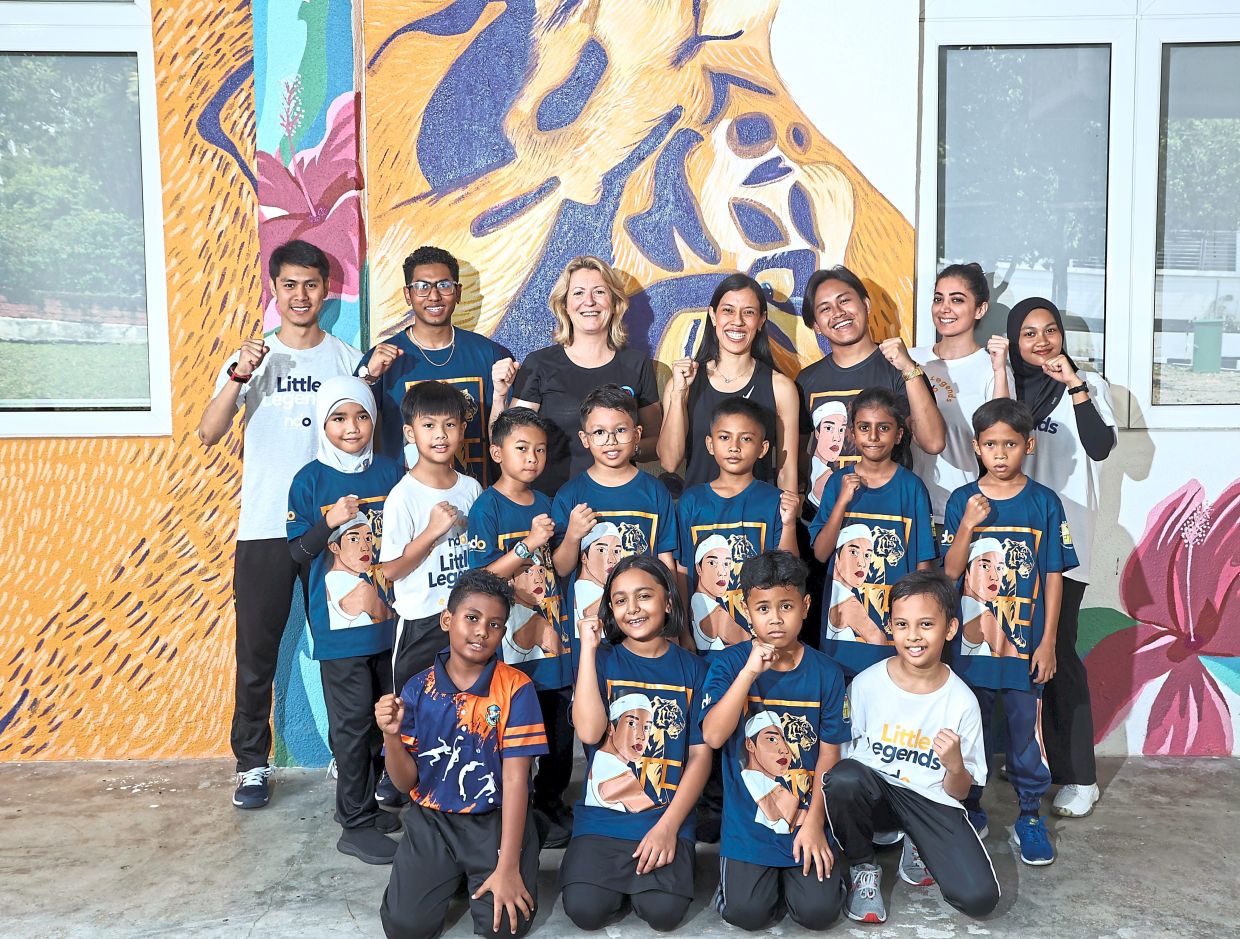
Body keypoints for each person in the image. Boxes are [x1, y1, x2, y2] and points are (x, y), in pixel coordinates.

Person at [197, 239, 362, 809]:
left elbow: (365, 441)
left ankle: (351, 755)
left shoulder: (344, 359)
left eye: (311, 285)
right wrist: (239, 376)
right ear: (275, 289)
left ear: (326, 291)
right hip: (264, 528)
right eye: (289, 285)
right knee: (258, 653)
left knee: (345, 646)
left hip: (334, 528)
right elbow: (208, 431)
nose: (300, 295)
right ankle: (250, 765)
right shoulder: (253, 357)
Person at [375, 570, 548, 939]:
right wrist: (391, 737)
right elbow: (407, 783)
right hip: (433, 821)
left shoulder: (517, 689)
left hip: (494, 821)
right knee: (405, 929)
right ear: (447, 620)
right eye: (472, 618)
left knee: (504, 929)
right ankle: (447, 874)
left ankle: (516, 853)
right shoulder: (417, 688)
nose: (482, 631)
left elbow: (517, 779)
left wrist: (509, 865)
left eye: (495, 624)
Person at [943, 398, 1079, 867]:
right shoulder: (964, 501)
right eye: (990, 445)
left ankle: (1029, 817)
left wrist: (1047, 642)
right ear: (976, 447)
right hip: (970, 651)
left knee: (1025, 737)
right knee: (972, 731)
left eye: (1010, 444)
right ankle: (970, 806)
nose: (1000, 454)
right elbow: (951, 571)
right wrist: (966, 525)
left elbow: (1054, 575)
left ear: (1029, 445)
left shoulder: (1044, 502)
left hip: (1025, 649)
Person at [822, 570, 1000, 925]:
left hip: (929, 801)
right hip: (874, 793)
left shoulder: (962, 701)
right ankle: (862, 866)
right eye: (902, 624)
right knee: (843, 779)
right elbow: (840, 763)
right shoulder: (866, 685)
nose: (913, 636)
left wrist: (954, 766)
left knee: (979, 899)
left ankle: (917, 843)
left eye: (926, 625)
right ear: (890, 626)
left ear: (949, 629)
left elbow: (961, 791)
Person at [286, 376, 405, 863]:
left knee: (379, 723)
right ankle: (353, 823)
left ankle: (365, 807)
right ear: (323, 423)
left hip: (389, 624)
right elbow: (295, 551)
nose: (351, 428)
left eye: (361, 416)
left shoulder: (391, 472)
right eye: (338, 417)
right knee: (352, 725)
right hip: (339, 633)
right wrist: (329, 522)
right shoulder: (309, 480)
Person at [1008, 296, 1117, 819]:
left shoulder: (1087, 386)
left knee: (1061, 653)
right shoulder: (1005, 388)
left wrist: (1074, 384)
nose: (1042, 341)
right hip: (1008, 538)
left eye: (1049, 330)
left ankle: (1079, 776)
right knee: (1010, 652)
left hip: (1065, 541)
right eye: (1028, 333)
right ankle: (1024, 761)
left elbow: (1099, 447)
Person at [700, 551, 848, 932]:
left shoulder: (827, 673)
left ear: (806, 606)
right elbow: (714, 736)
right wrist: (749, 673)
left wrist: (814, 823)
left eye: (786, 606)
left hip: (806, 818)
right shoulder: (729, 664)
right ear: (745, 610)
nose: (776, 618)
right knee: (745, 914)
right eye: (763, 607)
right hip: (749, 827)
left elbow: (829, 753)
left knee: (818, 913)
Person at [561, 555, 710, 932]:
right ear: (610, 609)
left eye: (644, 596)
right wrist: (589, 650)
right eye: (620, 600)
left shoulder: (693, 669)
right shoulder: (602, 660)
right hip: (602, 819)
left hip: (664, 817)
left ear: (668, 601)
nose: (633, 609)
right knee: (584, 910)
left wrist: (669, 826)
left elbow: (699, 757)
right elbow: (590, 734)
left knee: (663, 913)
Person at [466, 407, 575, 848]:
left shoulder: (549, 505)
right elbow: (480, 579)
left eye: (540, 450)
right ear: (496, 452)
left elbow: (563, 568)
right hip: (507, 649)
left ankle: (551, 801)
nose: (532, 457)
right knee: (511, 728)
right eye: (521, 448)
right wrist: (529, 543)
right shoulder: (486, 508)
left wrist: (568, 537)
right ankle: (514, 805)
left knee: (557, 727)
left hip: (551, 644)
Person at [377, 381, 483, 808]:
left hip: (465, 623)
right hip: (422, 624)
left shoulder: (471, 489)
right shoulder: (403, 496)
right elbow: (391, 570)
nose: (440, 435)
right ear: (409, 433)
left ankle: (461, 780)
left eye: (450, 425)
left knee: (464, 708)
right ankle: (400, 776)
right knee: (415, 710)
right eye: (428, 425)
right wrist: (432, 532)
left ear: (462, 431)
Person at [356, 245, 513, 484]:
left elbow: (509, 435)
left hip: (477, 497)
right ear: (408, 295)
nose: (434, 296)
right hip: (408, 500)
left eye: (444, 285)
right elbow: (349, 422)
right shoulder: (381, 360)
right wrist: (370, 377)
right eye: (422, 286)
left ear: (458, 292)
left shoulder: (490, 354)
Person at [506, 256, 663, 495]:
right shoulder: (540, 364)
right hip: (552, 502)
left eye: (599, 292)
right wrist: (499, 397)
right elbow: (511, 438)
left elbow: (655, 442)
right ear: (564, 304)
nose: (589, 301)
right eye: (578, 293)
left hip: (618, 503)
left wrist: (624, 448)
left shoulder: (636, 364)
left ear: (614, 302)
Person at [808, 389, 937, 676]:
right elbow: (820, 552)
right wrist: (842, 501)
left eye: (884, 428)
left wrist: (917, 622)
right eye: (865, 427)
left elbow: (923, 564)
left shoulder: (911, 487)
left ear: (899, 434)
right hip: (841, 636)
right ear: (852, 433)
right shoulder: (838, 482)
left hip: (896, 629)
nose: (874, 436)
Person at [552, 385, 680, 653]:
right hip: (591, 634)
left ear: (637, 434)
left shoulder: (655, 491)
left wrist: (674, 625)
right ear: (585, 438)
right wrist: (574, 534)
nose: (610, 440)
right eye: (599, 432)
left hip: (645, 626)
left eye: (620, 430)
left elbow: (666, 560)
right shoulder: (570, 494)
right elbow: (561, 569)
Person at [797, 266, 945, 489]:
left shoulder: (900, 369)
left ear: (866, 305)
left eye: (844, 300)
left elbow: (933, 442)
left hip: (885, 516)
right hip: (823, 518)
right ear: (816, 326)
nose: (838, 312)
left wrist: (908, 368)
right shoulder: (807, 379)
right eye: (825, 308)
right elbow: (797, 452)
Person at [658, 273, 800, 493]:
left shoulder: (780, 387)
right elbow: (669, 462)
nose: (737, 321)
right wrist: (678, 395)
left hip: (757, 519)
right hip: (700, 521)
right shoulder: (684, 383)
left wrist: (788, 523)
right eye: (728, 310)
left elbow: (786, 470)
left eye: (749, 312)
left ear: (761, 321)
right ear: (713, 316)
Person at [677, 397, 798, 654]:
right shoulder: (692, 501)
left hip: (760, 640)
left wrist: (788, 523)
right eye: (724, 437)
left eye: (745, 439)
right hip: (703, 637)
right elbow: (681, 569)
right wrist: (682, 631)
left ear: (762, 448)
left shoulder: (772, 500)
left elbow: (788, 569)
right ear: (710, 444)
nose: (734, 447)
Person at [911, 263, 1013, 527]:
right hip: (906, 505)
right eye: (938, 299)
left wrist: (1000, 370)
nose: (944, 308)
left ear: (980, 309)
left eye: (957, 300)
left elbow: (1005, 435)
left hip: (960, 510)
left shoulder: (991, 368)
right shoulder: (910, 359)